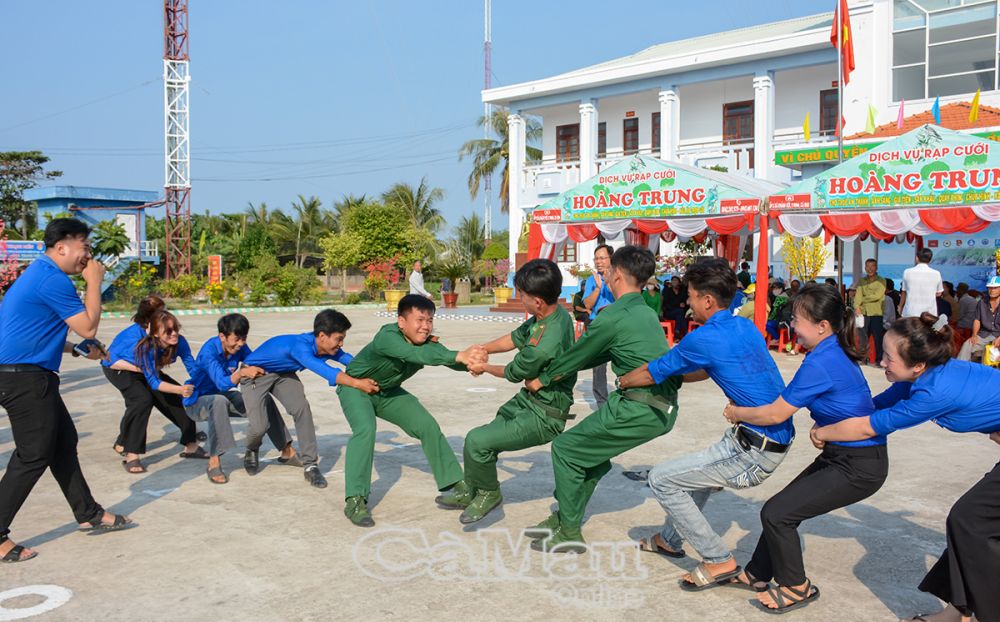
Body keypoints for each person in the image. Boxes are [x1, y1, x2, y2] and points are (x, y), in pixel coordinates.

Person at [617, 258, 794, 590]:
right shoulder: (743, 326)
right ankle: (669, 540)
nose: (687, 302)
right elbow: (705, 369)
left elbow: (653, 371)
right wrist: (673, 377)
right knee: (692, 474)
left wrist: (624, 381)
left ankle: (717, 558)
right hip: (761, 438)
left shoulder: (703, 338)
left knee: (661, 479)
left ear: (708, 301)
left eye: (692, 296)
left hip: (755, 450)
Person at [812, 314, 1000, 622]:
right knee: (971, 526)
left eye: (888, 357)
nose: (881, 361)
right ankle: (956, 613)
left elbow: (871, 426)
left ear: (917, 365)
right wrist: (832, 418)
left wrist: (822, 433)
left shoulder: (932, 391)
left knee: (970, 521)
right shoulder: (918, 378)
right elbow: (875, 406)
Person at [722, 283, 886, 613]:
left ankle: (797, 586)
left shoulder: (821, 362)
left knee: (777, 514)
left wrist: (737, 412)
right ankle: (757, 572)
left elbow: (776, 413)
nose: (792, 326)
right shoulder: (830, 352)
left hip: (859, 464)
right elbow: (843, 403)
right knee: (781, 509)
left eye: (797, 320)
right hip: (843, 455)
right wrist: (823, 426)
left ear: (822, 326)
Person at [523, 246, 681, 553]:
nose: (604, 273)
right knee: (589, 457)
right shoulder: (646, 311)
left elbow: (577, 356)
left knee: (565, 449)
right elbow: (598, 354)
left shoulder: (613, 316)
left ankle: (569, 531)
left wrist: (541, 378)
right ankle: (564, 518)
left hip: (638, 407)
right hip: (659, 408)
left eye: (607, 269)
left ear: (617, 274)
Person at [0, 218, 135, 563]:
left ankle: (88, 512)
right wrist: (95, 282)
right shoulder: (52, 279)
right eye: (84, 248)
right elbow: (89, 326)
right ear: (62, 247)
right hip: (24, 378)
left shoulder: (40, 274)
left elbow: (31, 332)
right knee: (33, 454)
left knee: (63, 443)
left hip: (24, 372)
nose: (87, 256)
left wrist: (73, 348)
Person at [437, 260, 576, 524]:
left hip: (544, 415)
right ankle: (472, 487)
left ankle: (489, 493)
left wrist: (482, 366)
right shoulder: (549, 316)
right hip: (529, 401)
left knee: (477, 441)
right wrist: (482, 348)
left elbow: (513, 372)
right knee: (485, 438)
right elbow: (515, 337)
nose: (518, 297)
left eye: (521, 294)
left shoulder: (545, 343)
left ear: (536, 301)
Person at [336, 295, 486, 527]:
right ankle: (355, 500)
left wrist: (471, 364)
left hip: (387, 392)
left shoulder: (427, 342)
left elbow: (444, 358)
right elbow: (416, 356)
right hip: (356, 388)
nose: (425, 326)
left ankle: (458, 487)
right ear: (401, 322)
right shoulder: (387, 337)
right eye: (419, 320)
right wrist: (459, 355)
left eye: (430, 320)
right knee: (365, 430)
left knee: (427, 426)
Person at [242, 309, 376, 488]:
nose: (341, 343)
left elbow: (349, 361)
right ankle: (252, 448)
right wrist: (359, 384)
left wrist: (375, 372)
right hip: (254, 374)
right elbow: (327, 372)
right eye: (339, 338)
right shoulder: (300, 348)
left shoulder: (325, 346)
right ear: (322, 336)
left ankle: (310, 465)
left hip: (283, 373)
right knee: (259, 427)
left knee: (301, 409)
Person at [182, 313, 298, 484]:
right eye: (237, 339)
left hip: (223, 397)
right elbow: (222, 383)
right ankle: (214, 461)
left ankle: (286, 450)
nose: (241, 344)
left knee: (263, 400)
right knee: (218, 401)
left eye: (244, 339)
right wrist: (242, 372)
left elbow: (256, 361)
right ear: (222, 336)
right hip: (197, 401)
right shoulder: (209, 351)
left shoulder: (240, 347)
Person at [103, 295, 201, 473]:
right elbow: (109, 360)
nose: (165, 316)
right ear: (150, 323)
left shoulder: (175, 340)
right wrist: (177, 388)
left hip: (147, 369)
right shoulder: (139, 341)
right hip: (120, 368)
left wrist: (202, 385)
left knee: (175, 398)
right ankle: (131, 452)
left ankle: (191, 443)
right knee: (142, 400)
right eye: (160, 313)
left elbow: (191, 367)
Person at [581, 244, 615, 408]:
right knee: (598, 365)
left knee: (623, 359)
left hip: (617, 323)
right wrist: (599, 287)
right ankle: (602, 402)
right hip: (597, 323)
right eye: (596, 258)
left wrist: (609, 283)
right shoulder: (591, 280)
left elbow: (622, 298)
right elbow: (587, 304)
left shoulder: (620, 276)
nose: (598, 262)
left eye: (602, 258)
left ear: (611, 259)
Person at [957, 276, 1000, 362]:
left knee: (990, 354)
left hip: (998, 335)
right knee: (967, 344)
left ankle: (987, 372)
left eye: (995, 288)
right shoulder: (982, 302)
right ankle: (960, 368)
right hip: (984, 334)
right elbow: (977, 320)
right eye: (990, 288)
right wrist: (974, 335)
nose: (992, 290)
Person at [854, 258, 887, 365]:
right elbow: (857, 296)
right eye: (867, 266)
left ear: (876, 268)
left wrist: (863, 299)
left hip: (876, 313)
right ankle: (863, 358)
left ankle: (879, 360)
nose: (870, 269)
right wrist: (857, 306)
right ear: (865, 268)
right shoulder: (861, 281)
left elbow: (877, 296)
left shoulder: (881, 281)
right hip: (863, 313)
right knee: (863, 337)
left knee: (878, 338)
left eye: (872, 266)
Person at [900, 248, 943, 318]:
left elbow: (904, 292)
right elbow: (939, 293)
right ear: (930, 259)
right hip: (929, 313)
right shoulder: (936, 273)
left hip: (910, 311)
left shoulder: (907, 272)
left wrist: (900, 306)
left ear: (917, 258)